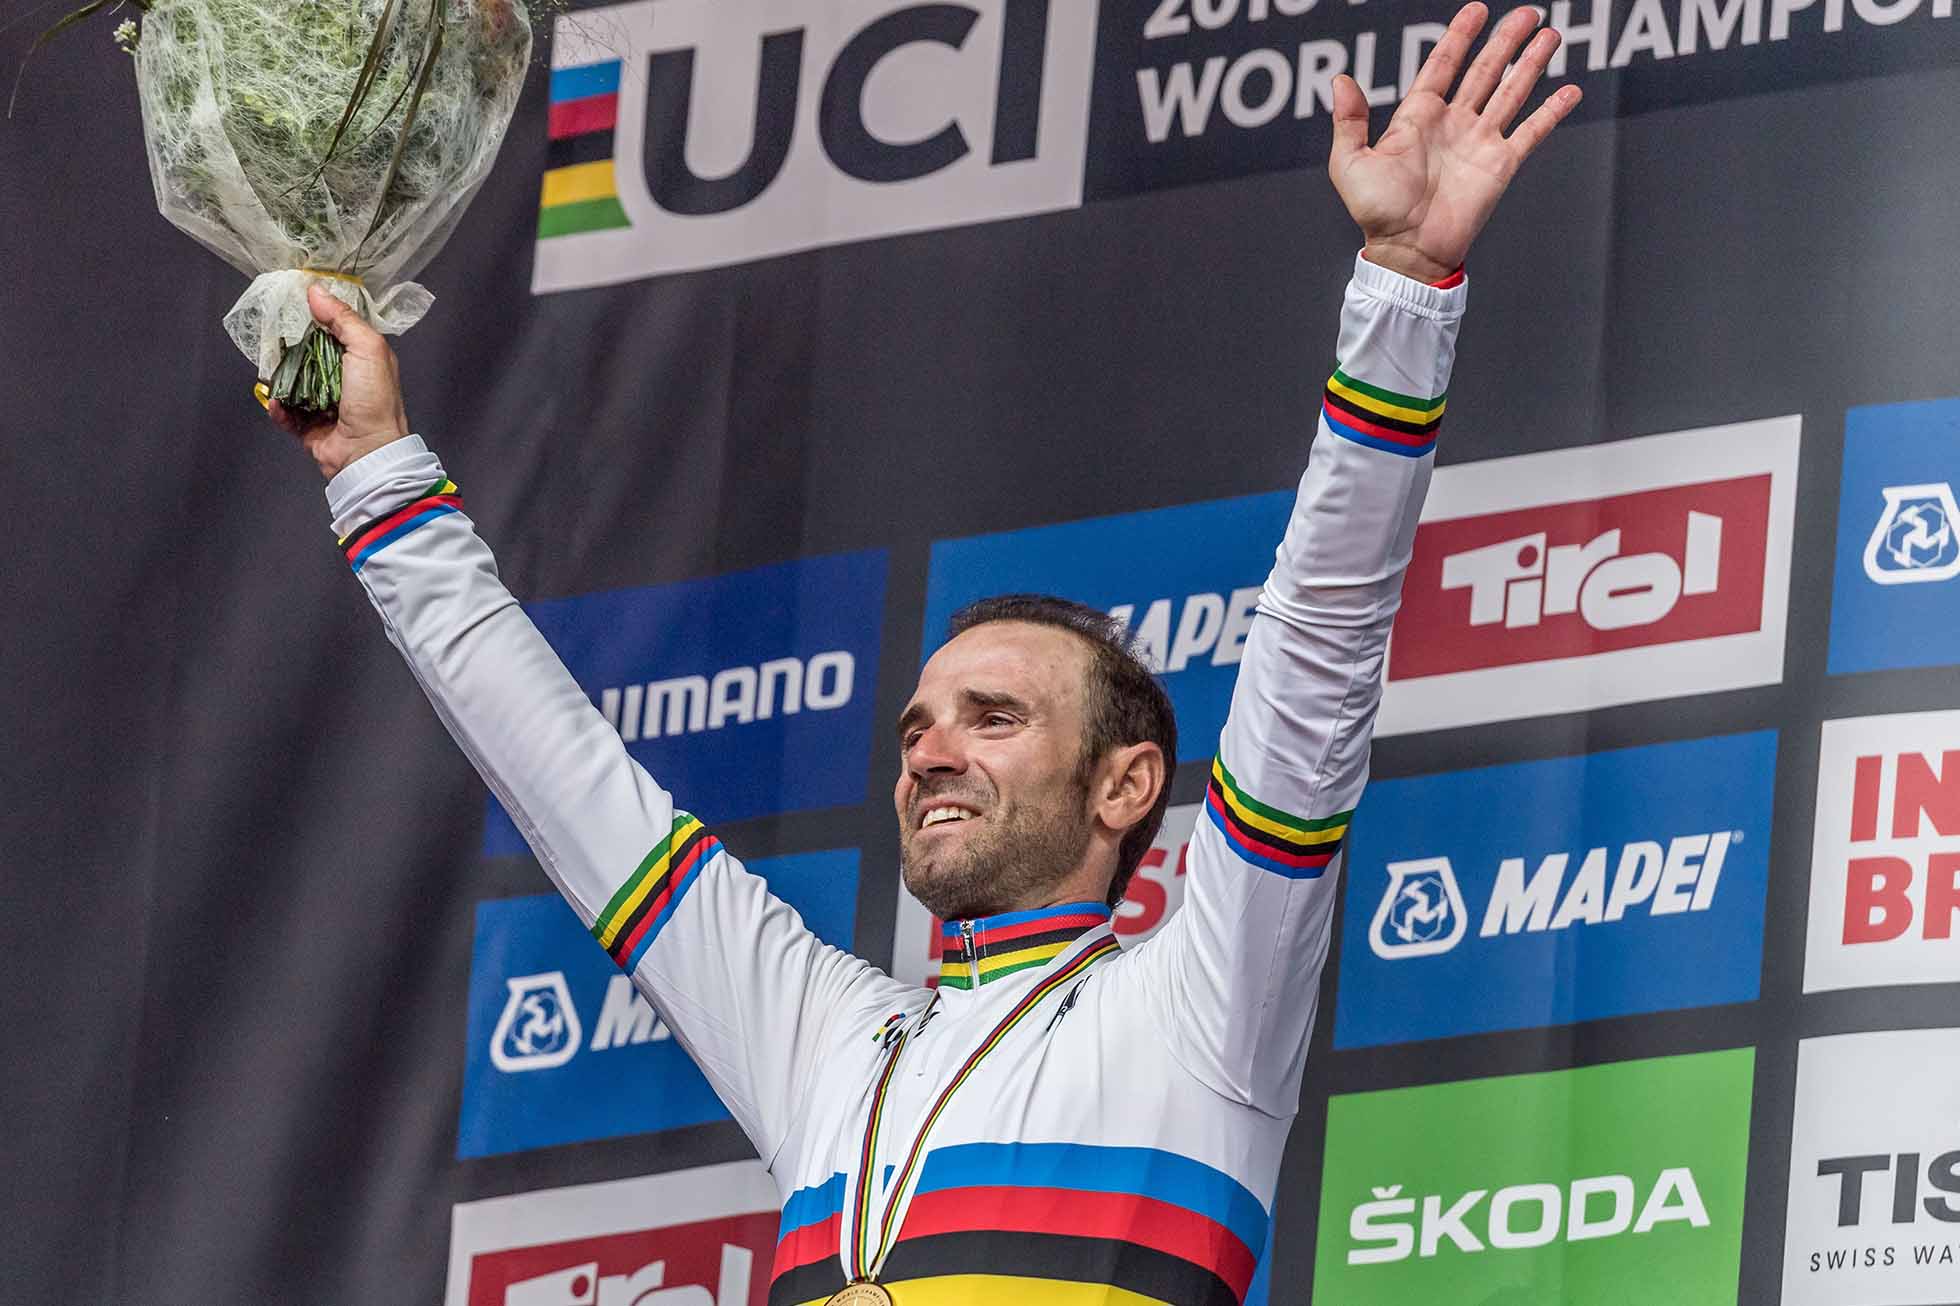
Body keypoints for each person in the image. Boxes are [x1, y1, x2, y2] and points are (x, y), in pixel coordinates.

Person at [273, 7, 1579, 1302]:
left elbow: (1317, 658)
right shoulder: (827, 1040)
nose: (932, 751)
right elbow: (566, 781)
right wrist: (372, 467)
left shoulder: (1199, 1011)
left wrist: (1402, 285)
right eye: (916, 728)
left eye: (994, 717)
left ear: (1126, 787)